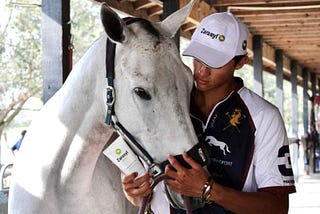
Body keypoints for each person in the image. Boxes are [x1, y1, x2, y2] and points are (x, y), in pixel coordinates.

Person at [121, 12, 296, 213]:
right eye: (198, 58)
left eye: (215, 62)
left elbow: (278, 207)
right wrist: (134, 192)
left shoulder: (264, 117)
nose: (202, 71)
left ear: (240, 63)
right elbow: (142, 195)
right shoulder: (164, 104)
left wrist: (208, 190)